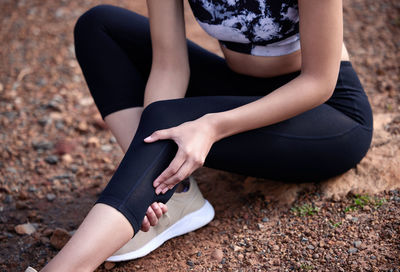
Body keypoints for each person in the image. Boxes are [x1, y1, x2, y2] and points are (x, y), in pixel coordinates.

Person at [26, 0, 373, 271]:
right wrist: (145, 177)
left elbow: (318, 83)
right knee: (99, 26)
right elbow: (169, 65)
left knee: (166, 115)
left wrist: (212, 126)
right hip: (240, 87)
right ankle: (173, 194)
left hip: (326, 112)